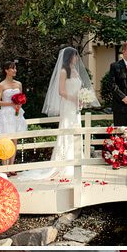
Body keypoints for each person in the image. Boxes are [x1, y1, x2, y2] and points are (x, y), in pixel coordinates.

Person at [16, 47, 99, 181]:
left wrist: (82, 99)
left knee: (76, 131)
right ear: (69, 57)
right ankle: (64, 163)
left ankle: (77, 160)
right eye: (75, 56)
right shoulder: (63, 72)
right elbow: (61, 91)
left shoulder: (76, 72)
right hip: (67, 105)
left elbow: (78, 89)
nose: (77, 58)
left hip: (76, 106)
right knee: (67, 130)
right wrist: (74, 99)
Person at [0, 60, 26, 173]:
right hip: (6, 113)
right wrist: (11, 104)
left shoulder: (18, 84)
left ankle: (12, 166)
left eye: (15, 68)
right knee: (5, 140)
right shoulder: (1, 85)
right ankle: (4, 166)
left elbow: (21, 97)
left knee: (14, 140)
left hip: (16, 113)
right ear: (6, 70)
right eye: (12, 68)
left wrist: (19, 104)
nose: (15, 70)